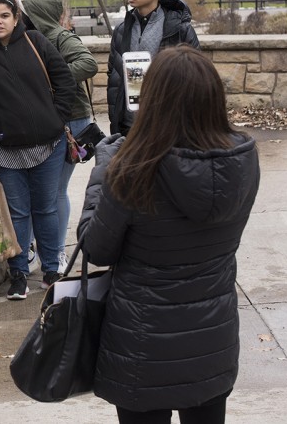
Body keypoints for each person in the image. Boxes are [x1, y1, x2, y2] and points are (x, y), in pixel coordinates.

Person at [78, 46, 259, 423]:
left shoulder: (132, 170)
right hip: (212, 340)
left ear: (153, 100)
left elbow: (96, 249)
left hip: (141, 345)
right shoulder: (242, 161)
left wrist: (101, 177)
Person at [0, 0, 75, 299]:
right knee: (17, 213)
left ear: (15, 18)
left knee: (46, 209)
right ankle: (19, 275)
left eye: (4, 16)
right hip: (6, 150)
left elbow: (65, 80)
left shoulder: (35, 41)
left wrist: (56, 118)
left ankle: (51, 271)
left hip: (49, 146)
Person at [19, 0, 98, 271]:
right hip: (45, 120)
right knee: (37, 191)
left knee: (55, 191)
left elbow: (89, 63)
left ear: (36, 13)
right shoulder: (25, 39)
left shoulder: (61, 37)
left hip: (71, 121)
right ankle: (32, 248)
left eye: (23, 11)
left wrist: (52, 79)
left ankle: (56, 252)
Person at [107, 0, 200, 136]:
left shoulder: (179, 29)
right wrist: (116, 118)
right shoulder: (121, 30)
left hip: (167, 124)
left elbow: (197, 74)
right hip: (129, 125)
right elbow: (114, 77)